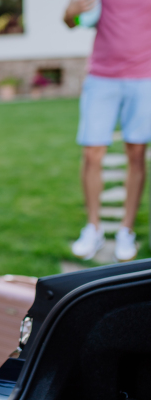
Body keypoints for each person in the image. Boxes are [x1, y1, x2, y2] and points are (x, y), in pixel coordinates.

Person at [64, 0, 151, 262]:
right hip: (102, 78)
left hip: (144, 76)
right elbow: (71, 22)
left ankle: (126, 230)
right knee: (92, 153)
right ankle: (93, 229)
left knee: (136, 154)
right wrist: (74, 11)